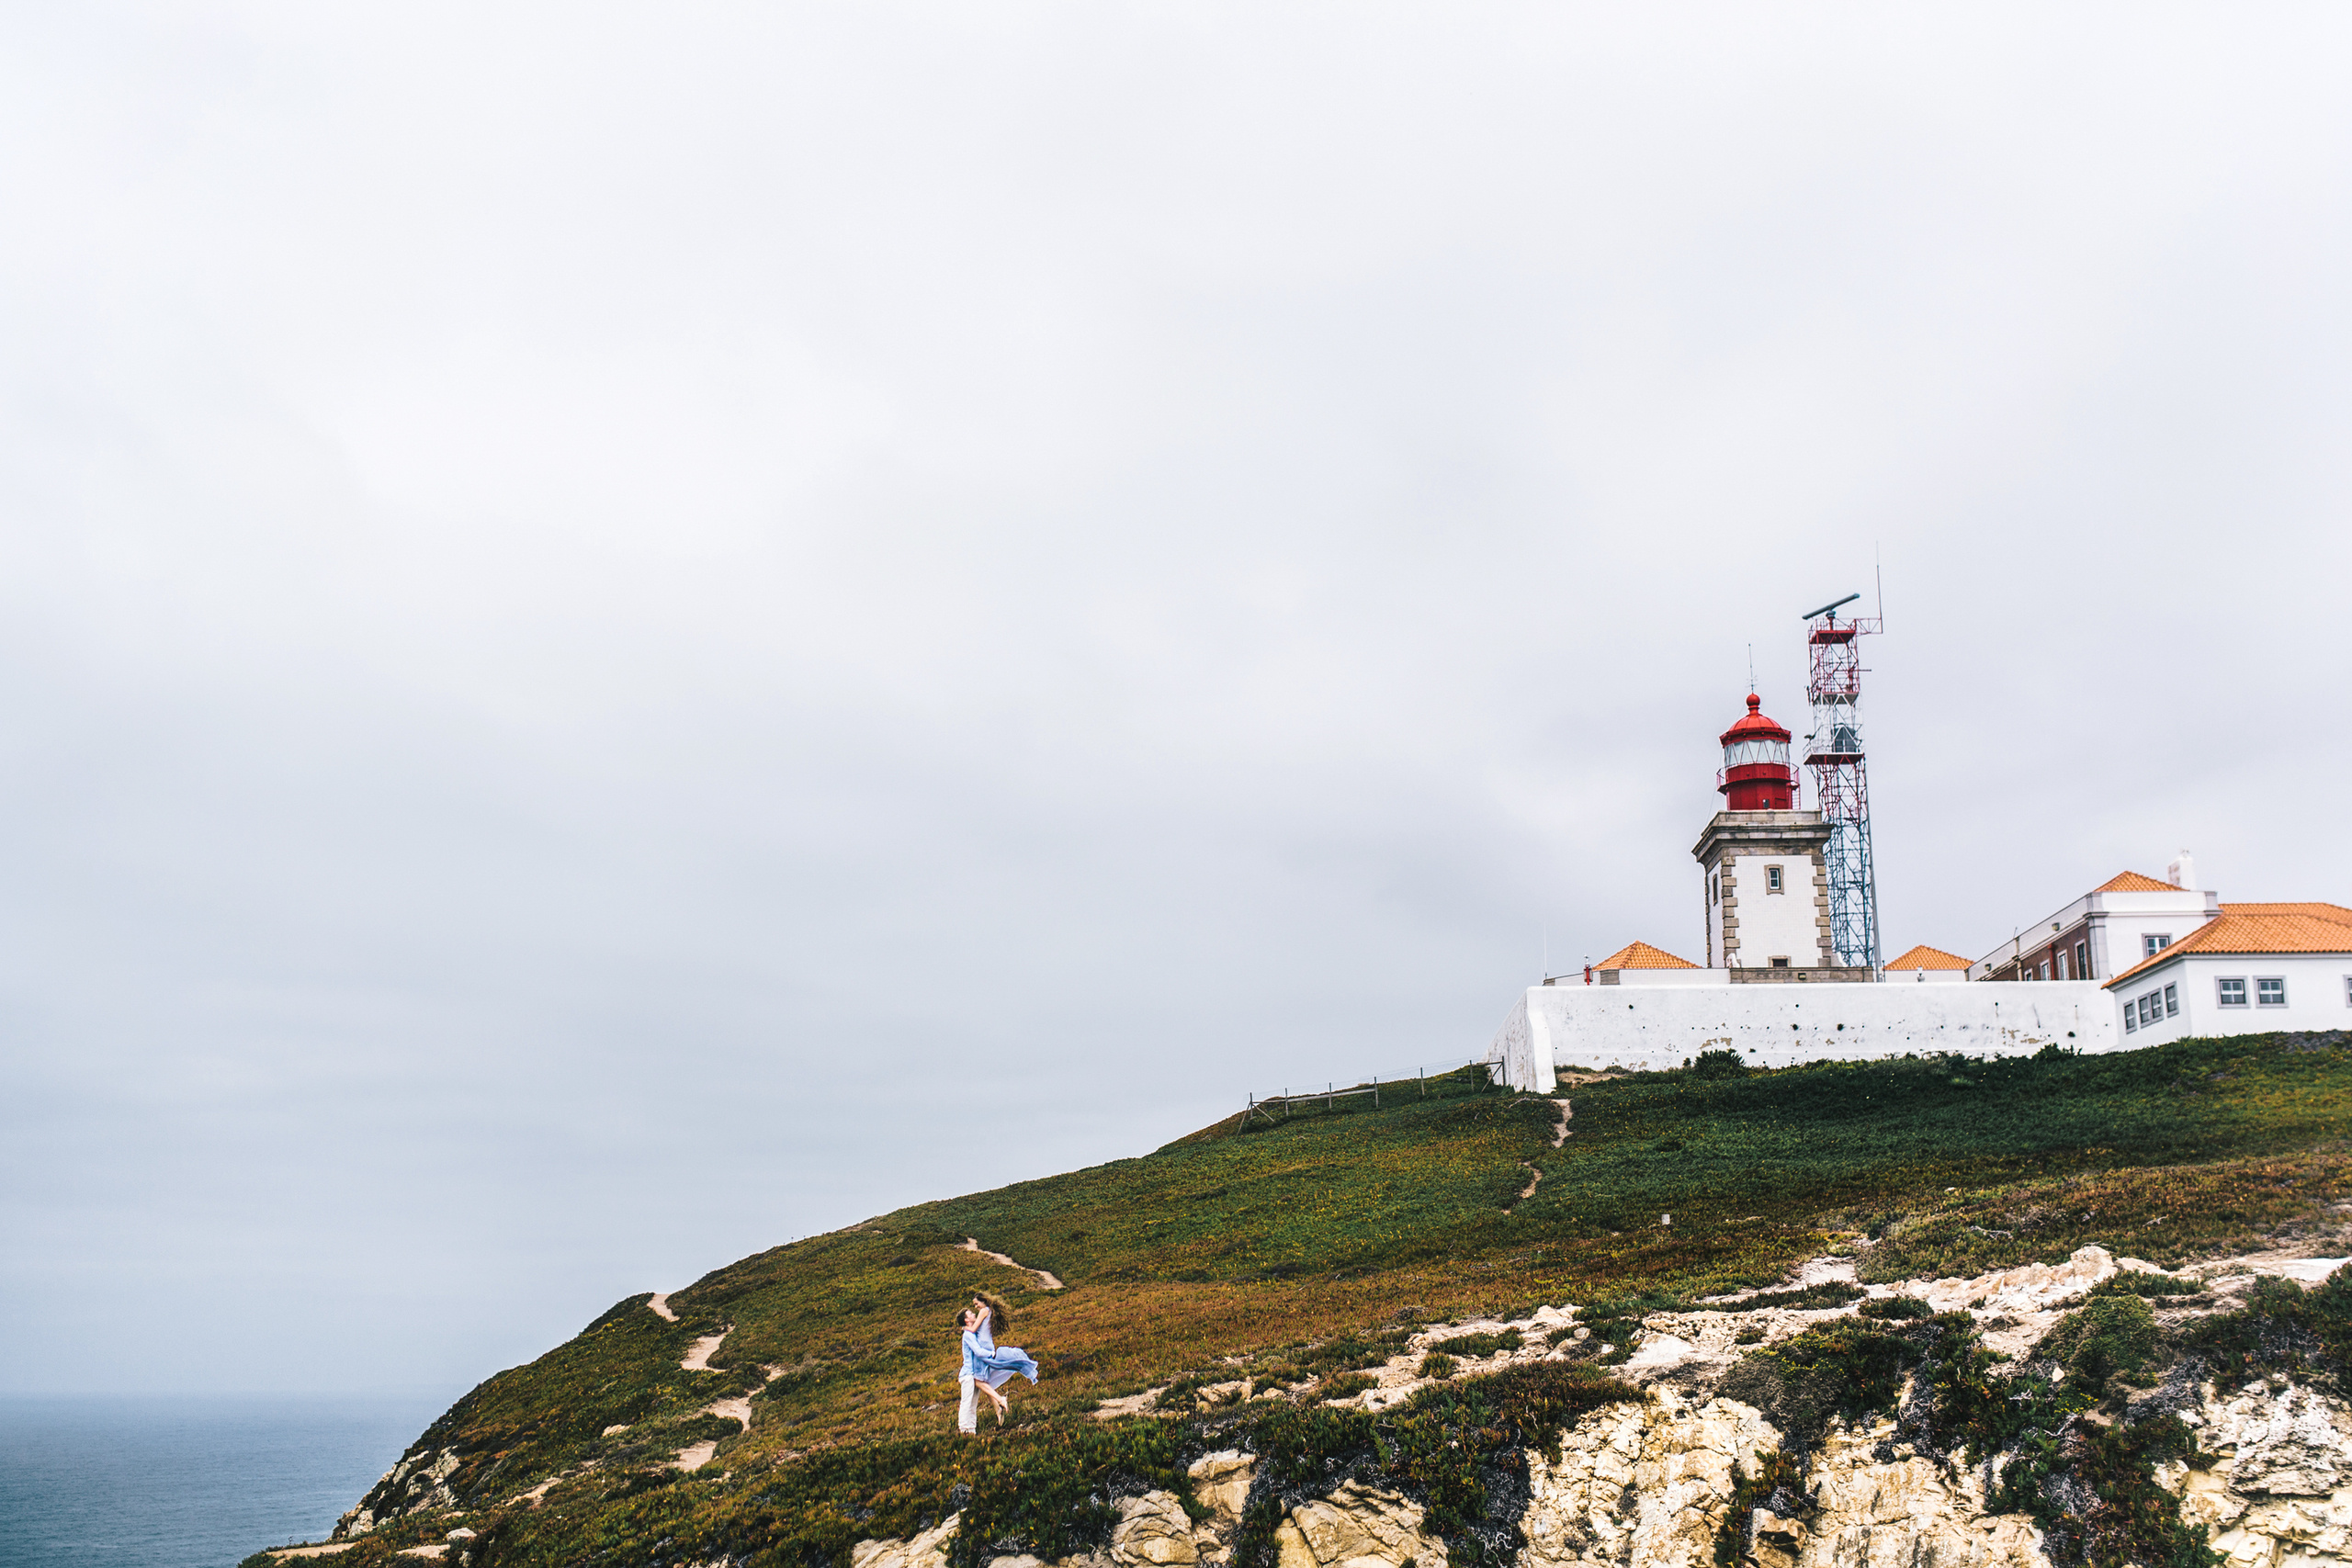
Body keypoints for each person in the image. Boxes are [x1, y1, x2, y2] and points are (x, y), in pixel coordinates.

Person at [964, 1292, 1038, 1427]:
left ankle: (1000, 1401)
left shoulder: (984, 1311)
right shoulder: (989, 1311)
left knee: (978, 1381)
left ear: (983, 1301)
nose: (976, 1307)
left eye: (976, 1304)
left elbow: (973, 1329)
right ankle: (998, 1409)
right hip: (988, 1347)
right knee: (986, 1382)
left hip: (984, 1349)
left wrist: (964, 1327)